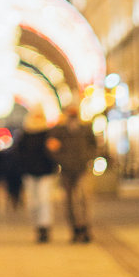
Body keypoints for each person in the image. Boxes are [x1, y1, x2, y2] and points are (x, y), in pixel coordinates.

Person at [47, 100, 98, 242]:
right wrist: (61, 159)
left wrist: (87, 157)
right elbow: (52, 148)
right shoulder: (59, 130)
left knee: (83, 198)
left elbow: (94, 146)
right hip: (67, 170)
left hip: (82, 168)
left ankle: (85, 227)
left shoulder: (86, 128)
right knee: (68, 200)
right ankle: (75, 228)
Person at [12, 105, 58, 243]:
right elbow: (18, 154)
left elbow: (53, 152)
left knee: (44, 200)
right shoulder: (25, 134)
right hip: (30, 173)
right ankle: (37, 226)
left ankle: (44, 227)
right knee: (33, 202)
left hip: (45, 172)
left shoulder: (48, 133)